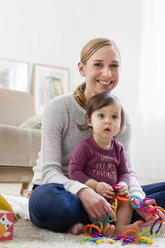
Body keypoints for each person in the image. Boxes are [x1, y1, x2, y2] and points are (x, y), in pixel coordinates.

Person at [29, 37, 165, 235]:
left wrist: (137, 197)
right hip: (62, 190)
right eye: (98, 65)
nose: (107, 73)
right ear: (82, 69)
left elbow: (127, 170)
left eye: (114, 66)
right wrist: (84, 191)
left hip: (108, 196)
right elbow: (49, 171)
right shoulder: (57, 108)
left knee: (145, 198)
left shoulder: (121, 116)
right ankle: (108, 219)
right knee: (48, 203)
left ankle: (101, 219)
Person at [69, 92, 143, 236]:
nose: (108, 121)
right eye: (101, 116)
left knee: (126, 201)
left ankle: (121, 226)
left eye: (114, 117)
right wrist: (95, 185)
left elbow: (124, 172)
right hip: (94, 193)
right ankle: (103, 226)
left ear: (120, 123)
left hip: (113, 193)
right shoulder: (85, 146)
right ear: (90, 120)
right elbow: (74, 171)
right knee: (96, 203)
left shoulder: (119, 148)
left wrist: (123, 184)